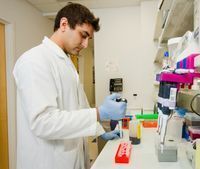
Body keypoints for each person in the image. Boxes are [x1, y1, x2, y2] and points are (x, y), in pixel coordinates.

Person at [13, 2, 127, 169]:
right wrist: (99, 113)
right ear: (64, 24)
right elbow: (43, 122)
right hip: (47, 162)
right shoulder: (34, 61)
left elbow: (78, 107)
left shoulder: (66, 63)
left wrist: (101, 132)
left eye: (89, 38)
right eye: (83, 35)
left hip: (72, 159)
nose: (86, 44)